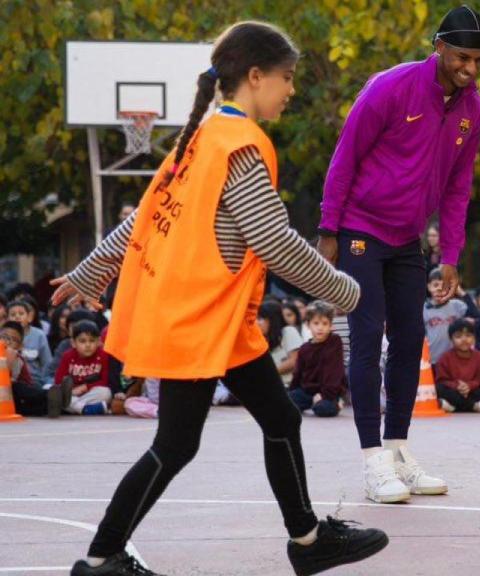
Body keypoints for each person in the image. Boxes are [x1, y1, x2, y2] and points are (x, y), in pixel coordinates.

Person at [51, 21, 386, 575]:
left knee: (282, 418)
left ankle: (307, 540)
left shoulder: (201, 138)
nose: (292, 90)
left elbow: (144, 224)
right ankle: (101, 557)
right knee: (177, 443)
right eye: (287, 78)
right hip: (200, 320)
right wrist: (346, 290)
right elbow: (274, 241)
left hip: (219, 322)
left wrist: (92, 267)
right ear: (255, 77)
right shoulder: (240, 144)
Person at [315, 5, 480, 505]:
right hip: (360, 229)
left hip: (408, 238)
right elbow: (344, 155)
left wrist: (450, 252)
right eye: (462, 57)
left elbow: (459, 188)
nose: (470, 69)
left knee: (411, 338)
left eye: (478, 60)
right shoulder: (390, 88)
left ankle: (397, 451)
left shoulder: (472, 111)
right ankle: (372, 460)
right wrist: (329, 230)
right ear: (438, 46)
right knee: (368, 337)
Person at [289, 301, 347, 418]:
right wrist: (292, 392)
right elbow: (298, 373)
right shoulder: (305, 348)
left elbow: (334, 372)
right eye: (316, 323)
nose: (320, 328)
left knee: (322, 409)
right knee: (287, 402)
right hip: (308, 391)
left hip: (329, 392)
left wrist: (324, 395)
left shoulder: (334, 342)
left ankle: (337, 403)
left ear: (331, 326)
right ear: (308, 325)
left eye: (325, 324)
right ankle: (312, 403)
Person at [435, 319, 480, 413]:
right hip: (455, 390)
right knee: (438, 389)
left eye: (468, 336)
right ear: (451, 339)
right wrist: (457, 386)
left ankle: (454, 407)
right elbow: (442, 380)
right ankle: (475, 406)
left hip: (472, 389)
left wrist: (469, 386)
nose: (464, 340)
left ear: (474, 338)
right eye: (458, 336)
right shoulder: (445, 357)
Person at [52, 320, 112, 415]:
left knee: (106, 392)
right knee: (57, 393)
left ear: (98, 342)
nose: (88, 345)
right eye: (82, 341)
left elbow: (105, 381)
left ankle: (74, 408)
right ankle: (86, 409)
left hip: (91, 393)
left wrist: (85, 387)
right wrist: (71, 391)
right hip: (72, 393)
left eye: (92, 341)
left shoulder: (103, 356)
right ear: (73, 343)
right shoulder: (67, 356)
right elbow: (59, 380)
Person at [424, 267, 468, 364]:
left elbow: (476, 315)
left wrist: (461, 292)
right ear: (428, 287)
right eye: (435, 285)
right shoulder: (424, 309)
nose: (439, 289)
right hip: (432, 360)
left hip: (455, 362)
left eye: (444, 286)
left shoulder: (457, 305)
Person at [8, 299, 52, 386]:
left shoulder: (39, 335)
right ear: (7, 319)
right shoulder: (4, 336)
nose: (17, 317)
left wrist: (45, 382)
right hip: (12, 381)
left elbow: (47, 363)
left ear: (29, 317)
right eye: (13, 315)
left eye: (21, 314)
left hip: (35, 381)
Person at [259, 301, 304, 386]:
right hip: (271, 386)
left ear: (272, 319)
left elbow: (294, 360)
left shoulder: (288, 331)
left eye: (260, 318)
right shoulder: (262, 338)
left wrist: (268, 374)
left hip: (289, 385)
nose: (257, 322)